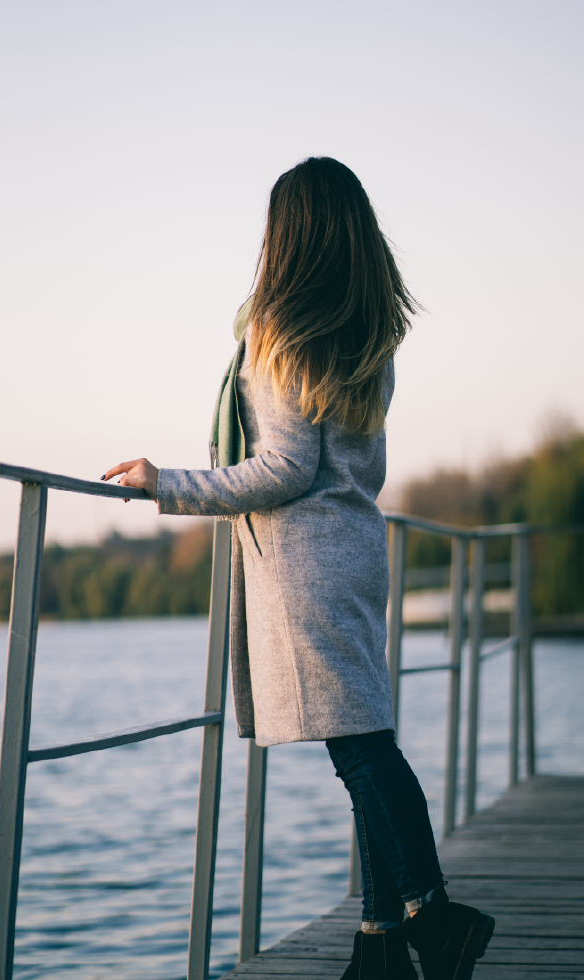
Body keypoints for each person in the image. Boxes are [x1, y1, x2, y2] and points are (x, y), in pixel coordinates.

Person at [101, 157, 495, 980]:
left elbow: (282, 468)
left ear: (289, 233)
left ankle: (434, 915)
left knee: (361, 753)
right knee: (367, 743)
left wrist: (164, 483)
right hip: (355, 550)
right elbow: (353, 464)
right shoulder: (366, 330)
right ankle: (381, 941)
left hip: (306, 565)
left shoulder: (280, 330)